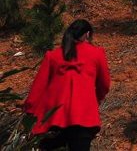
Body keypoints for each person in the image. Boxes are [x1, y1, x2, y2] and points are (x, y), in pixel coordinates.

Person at [24, 19, 111, 151]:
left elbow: (38, 88)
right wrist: (95, 100)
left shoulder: (52, 56)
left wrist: (29, 112)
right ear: (87, 34)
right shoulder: (97, 53)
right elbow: (104, 85)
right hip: (83, 118)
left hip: (53, 119)